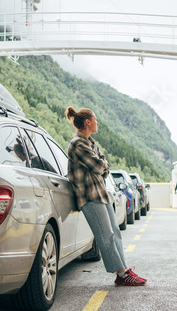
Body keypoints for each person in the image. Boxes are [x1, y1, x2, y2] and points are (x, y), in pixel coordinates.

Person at [65, 106, 146, 286]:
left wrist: (102, 165)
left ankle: (123, 269)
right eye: (95, 119)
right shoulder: (77, 143)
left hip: (101, 193)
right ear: (88, 122)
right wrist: (102, 165)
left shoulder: (91, 143)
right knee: (106, 234)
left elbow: (105, 168)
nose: (98, 123)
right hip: (89, 196)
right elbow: (98, 165)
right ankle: (121, 273)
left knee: (115, 232)